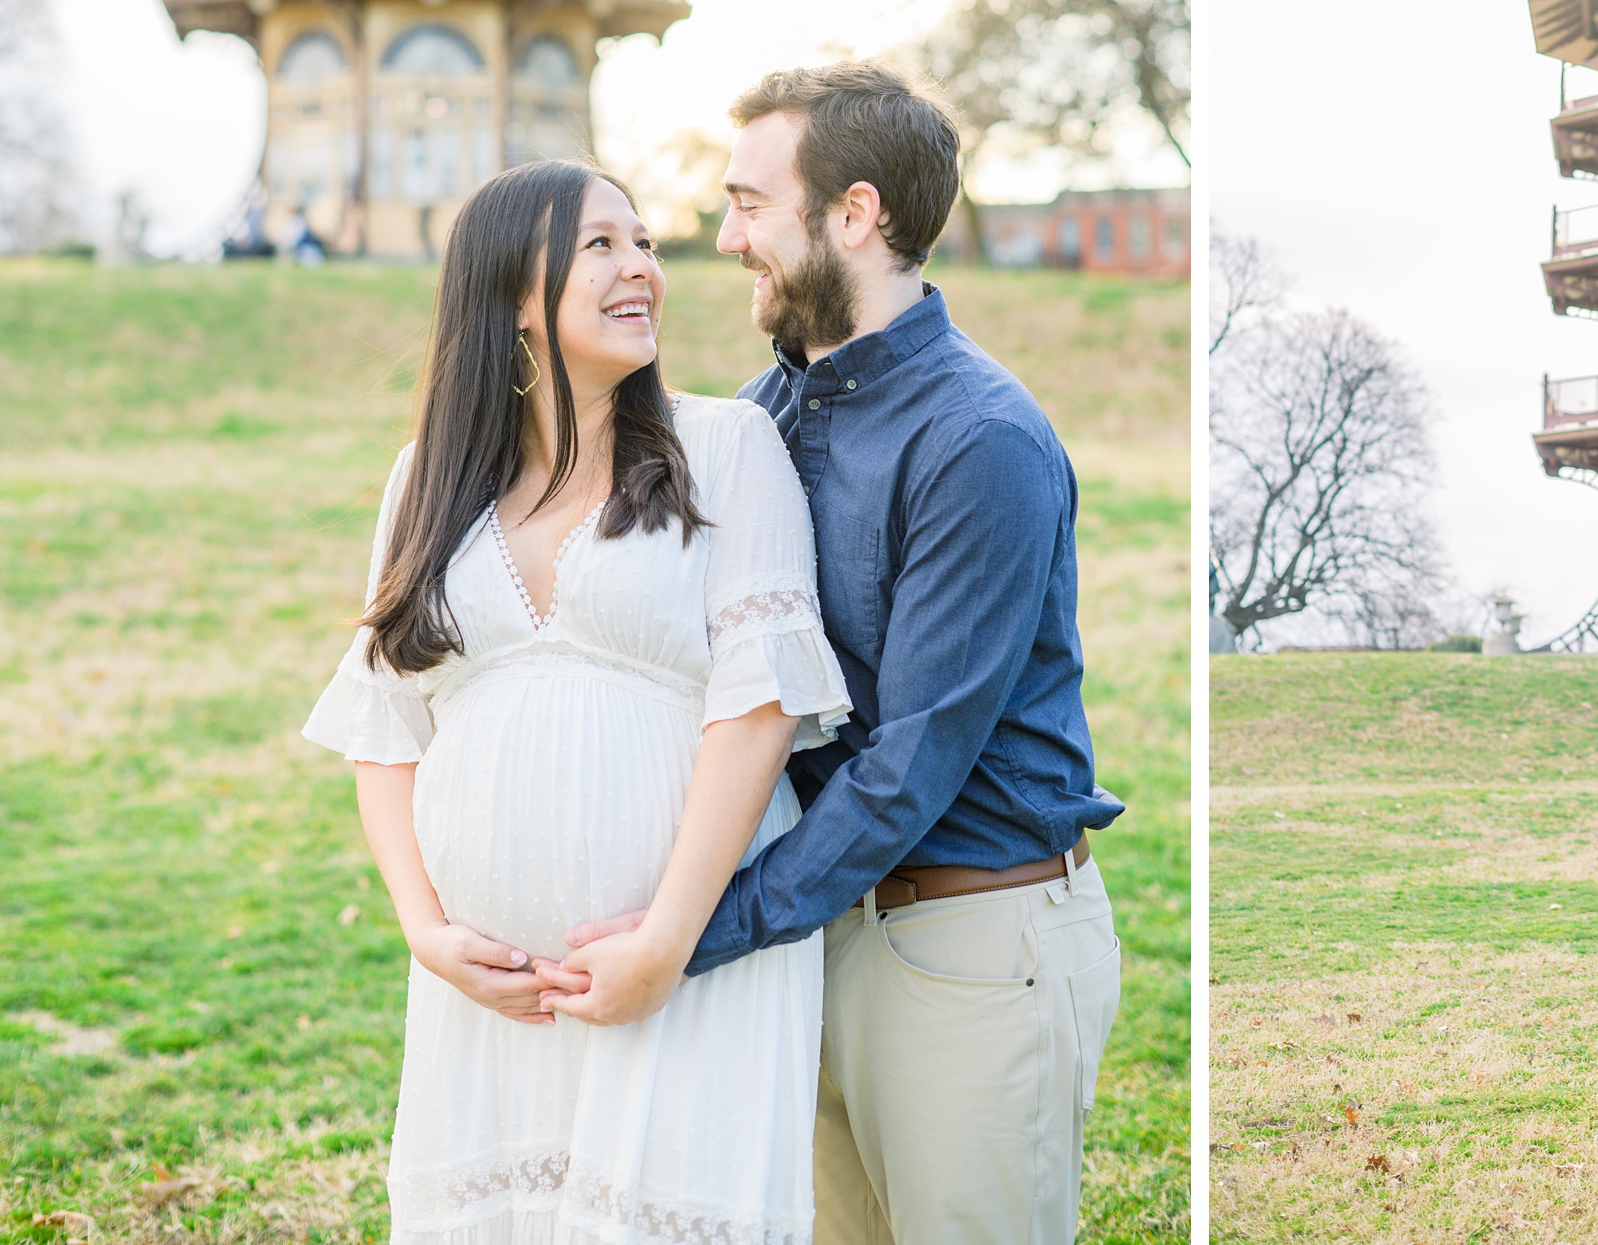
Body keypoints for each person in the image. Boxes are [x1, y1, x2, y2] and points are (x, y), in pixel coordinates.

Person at [556, 62, 1125, 1245]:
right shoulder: (763, 415)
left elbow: (911, 762)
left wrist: (688, 934)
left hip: (972, 941)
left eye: (751, 205)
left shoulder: (982, 440)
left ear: (855, 215)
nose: (725, 238)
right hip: (822, 929)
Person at [301, 160, 851, 1244]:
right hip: (492, 996)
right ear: (512, 292)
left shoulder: (726, 448)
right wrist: (426, 930)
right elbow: (384, 729)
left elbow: (758, 709)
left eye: (644, 243)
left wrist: (668, 940)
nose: (642, 265)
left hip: (688, 965)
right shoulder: (426, 482)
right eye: (601, 244)